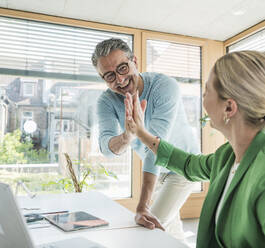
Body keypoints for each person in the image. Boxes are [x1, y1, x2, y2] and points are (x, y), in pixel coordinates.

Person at [125, 50, 265, 247]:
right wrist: (141, 132)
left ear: (229, 108)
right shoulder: (227, 156)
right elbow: (189, 164)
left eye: (207, 91)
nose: (203, 99)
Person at [91, 38, 200, 238]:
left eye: (123, 68)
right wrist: (128, 136)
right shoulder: (106, 101)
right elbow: (106, 148)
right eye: (109, 76)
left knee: (148, 228)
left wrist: (142, 206)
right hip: (157, 173)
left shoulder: (164, 86)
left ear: (135, 62)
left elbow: (156, 148)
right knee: (169, 232)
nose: (120, 79)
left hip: (182, 165)